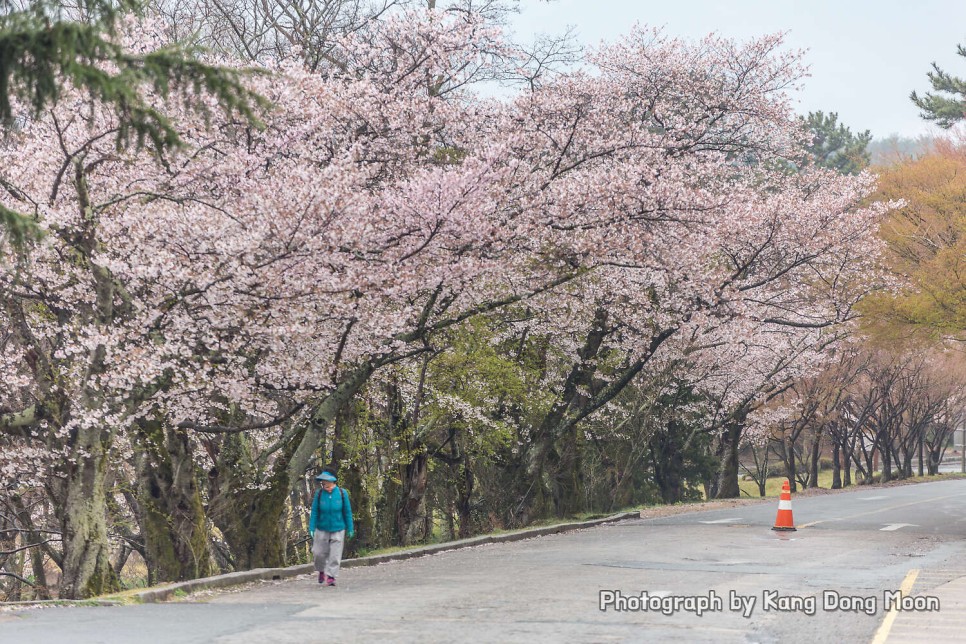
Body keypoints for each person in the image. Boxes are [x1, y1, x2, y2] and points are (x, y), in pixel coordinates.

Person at [308, 469, 354, 586]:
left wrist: (350, 528)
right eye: (323, 483)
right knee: (318, 553)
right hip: (321, 527)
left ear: (333, 482)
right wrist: (312, 527)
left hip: (338, 527)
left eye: (326, 482)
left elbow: (347, 512)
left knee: (335, 554)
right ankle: (321, 571)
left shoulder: (342, 493)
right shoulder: (319, 494)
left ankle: (331, 576)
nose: (325, 485)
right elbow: (314, 512)